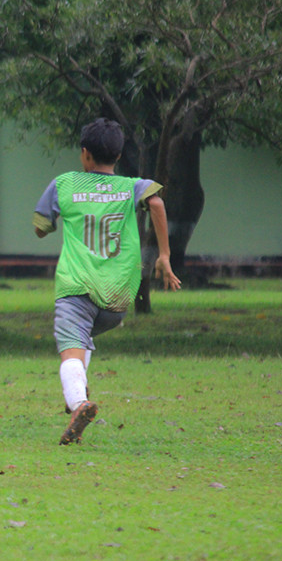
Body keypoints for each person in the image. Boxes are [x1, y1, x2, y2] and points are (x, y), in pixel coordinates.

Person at [33, 118, 181, 446]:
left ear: (85, 154)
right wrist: (164, 256)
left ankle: (79, 403)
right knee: (82, 337)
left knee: (70, 345)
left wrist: (54, 222)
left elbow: (41, 226)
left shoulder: (65, 184)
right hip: (118, 296)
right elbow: (156, 203)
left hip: (77, 287)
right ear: (117, 156)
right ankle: (78, 392)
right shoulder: (132, 187)